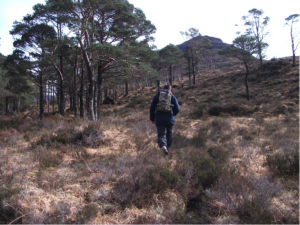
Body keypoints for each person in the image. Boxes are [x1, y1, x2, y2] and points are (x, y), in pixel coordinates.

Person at [150, 84, 180, 155]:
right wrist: (173, 114)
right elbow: (178, 108)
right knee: (169, 134)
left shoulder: (157, 96)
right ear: (170, 89)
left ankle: (163, 146)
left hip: (159, 119)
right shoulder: (172, 96)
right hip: (170, 118)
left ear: (163, 88)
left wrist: (152, 119)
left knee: (161, 134)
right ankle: (168, 148)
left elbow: (152, 108)